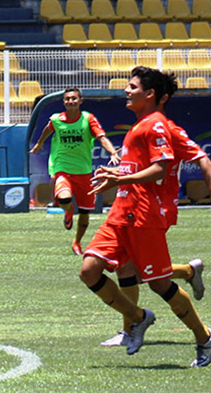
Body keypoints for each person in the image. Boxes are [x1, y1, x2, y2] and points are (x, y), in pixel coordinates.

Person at [81, 66, 210, 367]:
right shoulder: (139, 125)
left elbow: (160, 170)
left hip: (144, 215)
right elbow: (139, 168)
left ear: (150, 94)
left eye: (132, 86)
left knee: (159, 284)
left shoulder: (156, 125)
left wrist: (118, 181)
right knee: (89, 270)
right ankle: (138, 319)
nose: (126, 90)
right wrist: (118, 172)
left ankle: (204, 337)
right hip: (121, 213)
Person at [29, 87, 119, 254]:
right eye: (67, 99)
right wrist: (40, 143)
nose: (70, 101)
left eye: (74, 98)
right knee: (64, 198)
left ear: (80, 101)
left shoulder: (88, 119)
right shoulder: (56, 119)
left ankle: (77, 242)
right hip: (61, 167)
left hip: (83, 171)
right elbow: (47, 129)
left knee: (85, 214)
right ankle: (68, 210)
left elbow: (102, 137)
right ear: (64, 102)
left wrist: (113, 152)